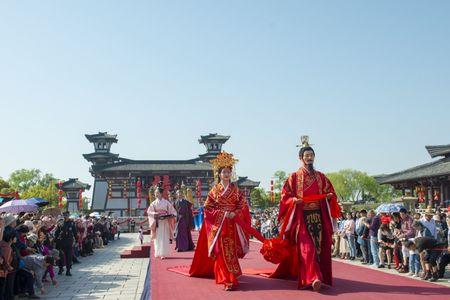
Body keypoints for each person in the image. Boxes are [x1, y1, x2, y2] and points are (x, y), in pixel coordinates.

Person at [269, 139, 341, 291]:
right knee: (307, 248)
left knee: (319, 247)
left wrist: (329, 196)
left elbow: (331, 192)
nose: (309, 158)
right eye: (306, 155)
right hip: (301, 218)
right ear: (300, 158)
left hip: (318, 216)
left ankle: (320, 275)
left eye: (311, 155)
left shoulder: (321, 177)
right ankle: (313, 278)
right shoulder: (294, 177)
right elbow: (285, 196)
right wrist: (292, 200)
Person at [189, 151, 252, 291]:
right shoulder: (214, 191)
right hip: (219, 226)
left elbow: (243, 205)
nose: (226, 174)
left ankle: (232, 275)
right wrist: (223, 214)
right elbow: (207, 208)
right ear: (219, 174)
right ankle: (225, 278)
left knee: (231, 250)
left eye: (228, 172)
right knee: (221, 251)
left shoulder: (235, 190)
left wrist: (235, 213)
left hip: (232, 224)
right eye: (223, 172)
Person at [147, 183, 177, 259]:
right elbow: (149, 212)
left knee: (164, 237)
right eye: (155, 193)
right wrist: (154, 213)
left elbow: (173, 211)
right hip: (157, 222)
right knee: (157, 238)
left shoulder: (166, 202)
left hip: (165, 222)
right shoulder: (153, 204)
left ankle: (163, 253)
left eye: (157, 192)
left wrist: (172, 215)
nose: (155, 194)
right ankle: (158, 252)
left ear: (160, 193)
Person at [54, 212, 77, 276]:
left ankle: (68, 270)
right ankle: (60, 268)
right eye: (64, 215)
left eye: (67, 215)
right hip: (61, 242)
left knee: (68, 256)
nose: (65, 216)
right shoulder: (60, 222)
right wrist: (55, 239)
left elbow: (75, 232)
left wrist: (76, 239)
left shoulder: (72, 223)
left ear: (69, 215)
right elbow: (57, 232)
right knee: (60, 256)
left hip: (69, 242)